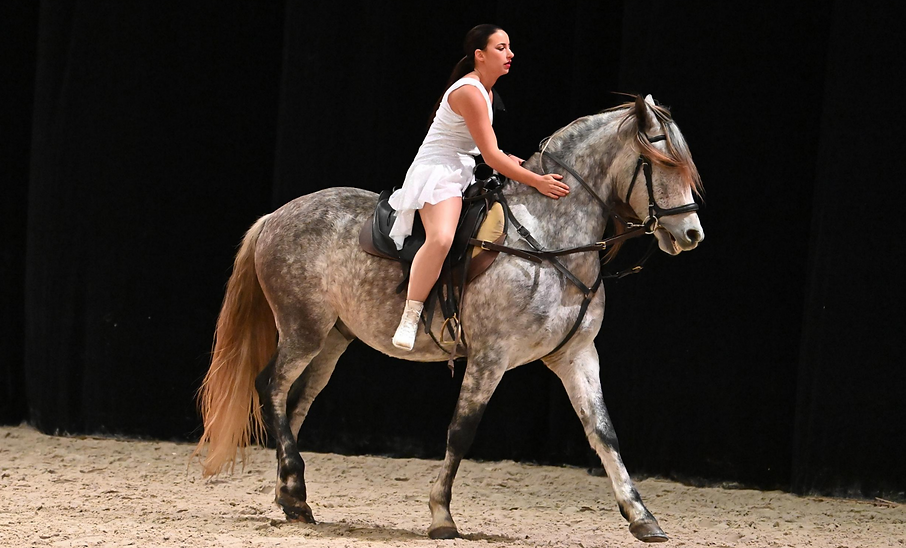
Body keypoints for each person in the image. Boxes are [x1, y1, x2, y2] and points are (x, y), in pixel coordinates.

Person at [389, 24, 570, 351]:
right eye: (501, 48)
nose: (510, 54)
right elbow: (490, 155)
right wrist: (537, 181)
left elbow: (488, 149)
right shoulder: (470, 92)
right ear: (479, 55)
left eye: (509, 47)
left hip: (464, 167)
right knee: (441, 238)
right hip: (439, 170)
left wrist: (517, 163)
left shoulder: (487, 92)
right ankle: (410, 314)